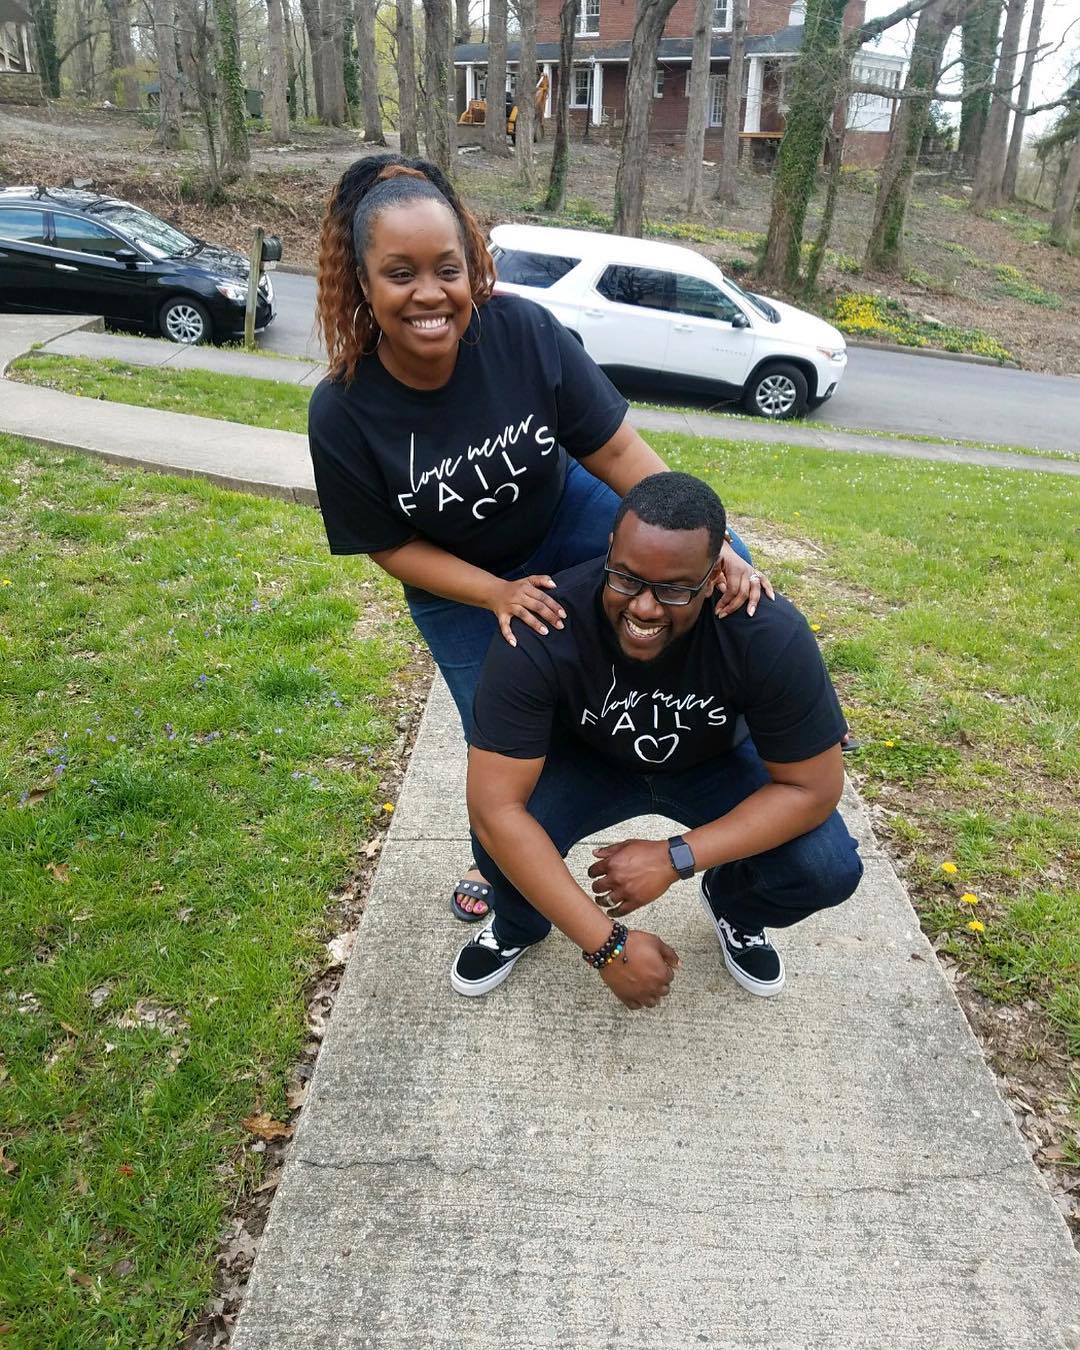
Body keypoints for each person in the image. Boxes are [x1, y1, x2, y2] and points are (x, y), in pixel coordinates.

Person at [307, 153, 770, 923]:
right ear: (362, 281)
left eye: (447, 268)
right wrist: (495, 593)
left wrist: (710, 539)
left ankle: (766, 739)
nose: (430, 293)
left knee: (730, 564)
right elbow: (388, 547)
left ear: (471, 267)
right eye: (400, 273)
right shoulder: (343, 410)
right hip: (456, 576)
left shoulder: (521, 330)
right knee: (507, 732)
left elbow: (618, 451)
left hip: (565, 512)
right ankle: (504, 857)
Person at [453, 472, 863, 1007]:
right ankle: (519, 923)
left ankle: (735, 905)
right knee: (493, 842)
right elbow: (495, 808)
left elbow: (814, 789)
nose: (644, 607)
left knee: (827, 866)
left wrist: (678, 857)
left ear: (717, 571)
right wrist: (607, 946)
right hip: (589, 762)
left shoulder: (768, 633)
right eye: (625, 578)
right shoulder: (545, 623)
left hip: (712, 762)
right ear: (609, 549)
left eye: (673, 588)